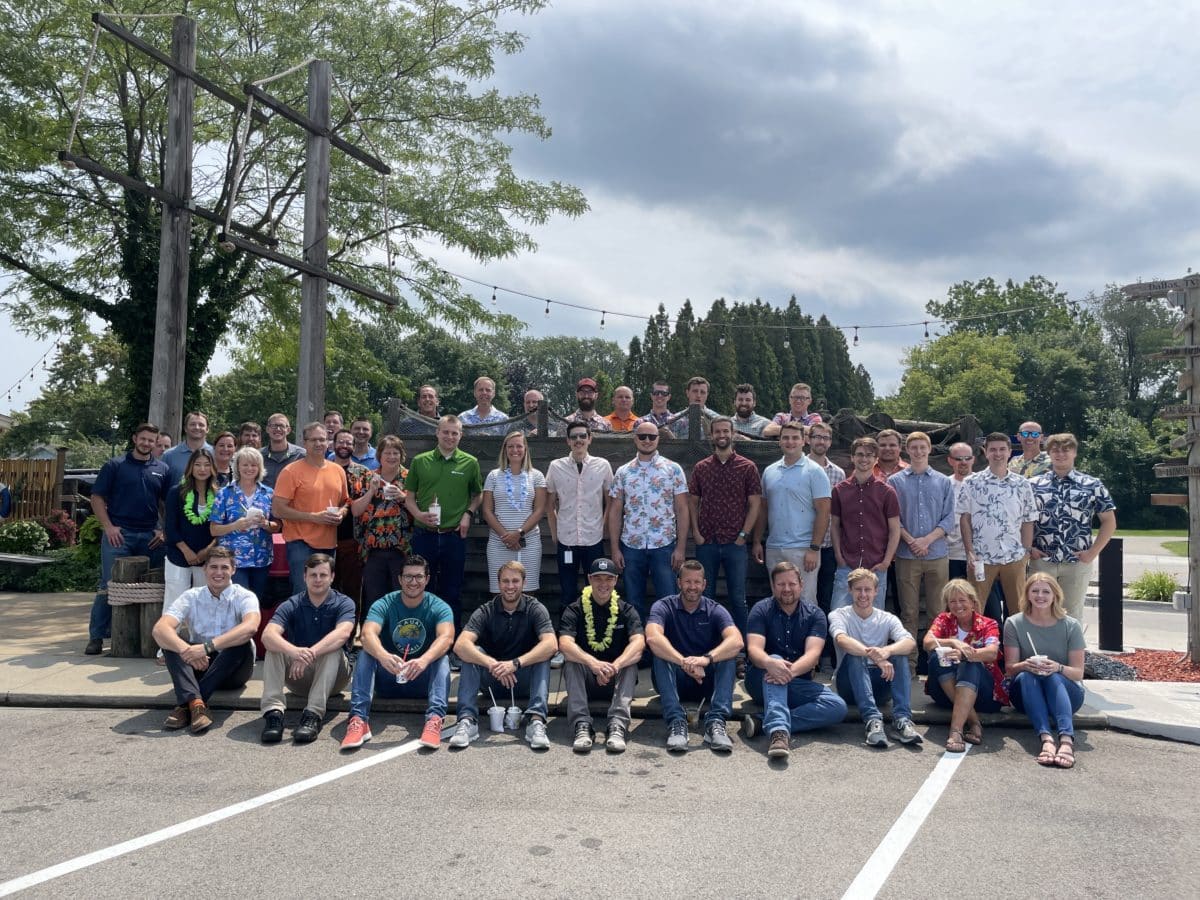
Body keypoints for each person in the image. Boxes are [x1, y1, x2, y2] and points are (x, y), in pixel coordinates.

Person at [341, 554, 454, 751]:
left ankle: (434, 720)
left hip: (420, 678)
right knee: (366, 653)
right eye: (408, 576)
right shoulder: (384, 603)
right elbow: (367, 634)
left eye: (419, 577)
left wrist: (424, 660)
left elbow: (447, 637)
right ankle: (358, 719)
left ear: (427, 579)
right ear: (400, 579)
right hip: (389, 676)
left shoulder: (439, 606)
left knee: (441, 658)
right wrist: (383, 656)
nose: (413, 582)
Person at [743, 562, 848, 759]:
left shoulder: (815, 614)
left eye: (791, 584)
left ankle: (762, 722)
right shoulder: (760, 610)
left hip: (797, 680)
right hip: (761, 679)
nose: (787, 589)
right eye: (781, 584)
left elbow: (812, 656)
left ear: (801, 584)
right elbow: (754, 650)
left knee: (837, 706)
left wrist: (787, 673)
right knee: (775, 659)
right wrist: (770, 664)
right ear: (773, 586)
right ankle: (778, 733)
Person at [449, 561, 557, 750]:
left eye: (515, 581)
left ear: (524, 583)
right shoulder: (486, 610)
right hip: (492, 679)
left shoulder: (535, 608)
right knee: (471, 653)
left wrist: (515, 664)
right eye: (505, 581)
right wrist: (492, 664)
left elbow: (551, 644)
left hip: (523, 679)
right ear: (498, 583)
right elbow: (460, 645)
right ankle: (467, 721)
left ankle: (536, 721)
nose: (510, 586)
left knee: (543, 654)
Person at [152, 548, 260, 734]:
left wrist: (206, 648)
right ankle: (196, 705)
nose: (219, 572)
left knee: (241, 641)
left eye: (224, 567)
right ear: (205, 569)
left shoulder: (245, 596)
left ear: (233, 569)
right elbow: (159, 629)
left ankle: (186, 704)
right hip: (199, 665)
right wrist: (186, 649)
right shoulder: (191, 596)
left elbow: (251, 627)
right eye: (213, 567)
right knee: (170, 643)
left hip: (234, 670)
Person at [85, 422, 169, 655]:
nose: (146, 443)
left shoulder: (162, 469)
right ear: (134, 438)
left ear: (155, 443)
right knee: (109, 585)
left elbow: (167, 503)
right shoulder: (115, 465)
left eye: (151, 440)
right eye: (143, 439)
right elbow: (97, 498)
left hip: (151, 537)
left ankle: (147, 637)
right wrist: (108, 527)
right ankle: (96, 637)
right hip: (120, 535)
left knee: (152, 587)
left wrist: (163, 531)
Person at [646, 561, 743, 753]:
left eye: (697, 582)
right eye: (688, 581)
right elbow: (652, 637)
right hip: (675, 679)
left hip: (706, 680)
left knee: (728, 655)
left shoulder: (715, 609)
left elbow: (737, 641)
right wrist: (684, 662)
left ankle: (716, 722)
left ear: (704, 584)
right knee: (660, 654)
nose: (692, 586)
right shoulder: (663, 606)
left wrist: (705, 659)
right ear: (679, 583)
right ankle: (676, 722)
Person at [260, 554, 355, 744]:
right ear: (304, 577)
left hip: (335, 679)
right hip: (299, 677)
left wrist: (310, 653)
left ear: (332, 577)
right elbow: (267, 636)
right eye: (313, 575)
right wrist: (294, 652)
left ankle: (313, 715)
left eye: (323, 575)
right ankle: (273, 714)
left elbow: (342, 634)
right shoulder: (291, 604)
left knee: (333, 648)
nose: (318, 579)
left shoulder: (344, 602)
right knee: (274, 648)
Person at [404, 415, 483, 632]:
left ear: (461, 436)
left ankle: (450, 640)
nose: (450, 436)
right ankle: (422, 636)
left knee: (452, 591)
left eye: (454, 433)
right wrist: (419, 515)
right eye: (446, 432)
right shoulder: (420, 461)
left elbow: (478, 495)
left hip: (454, 536)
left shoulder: (470, 463)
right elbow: (409, 498)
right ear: (437, 433)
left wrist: (468, 514)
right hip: (424, 534)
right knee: (420, 588)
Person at [829, 568, 922, 747]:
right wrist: (876, 657)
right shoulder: (839, 614)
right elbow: (842, 639)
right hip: (849, 685)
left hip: (880, 684)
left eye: (868, 589)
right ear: (850, 590)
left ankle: (902, 720)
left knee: (900, 655)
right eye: (858, 589)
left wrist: (887, 651)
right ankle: (872, 720)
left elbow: (909, 642)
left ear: (876, 591)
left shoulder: (887, 618)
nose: (863, 594)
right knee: (855, 655)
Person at [559, 558, 645, 753]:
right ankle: (581, 725)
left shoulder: (626, 610)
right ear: (589, 579)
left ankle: (617, 725)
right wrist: (593, 664)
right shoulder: (575, 609)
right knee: (571, 662)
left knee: (630, 664)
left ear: (615, 580)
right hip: (586, 680)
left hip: (616, 679)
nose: (603, 584)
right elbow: (564, 643)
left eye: (608, 579)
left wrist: (616, 665)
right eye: (598, 578)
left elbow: (639, 643)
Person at [608, 421, 690, 625]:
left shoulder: (673, 469)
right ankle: (638, 641)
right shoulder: (623, 472)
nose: (647, 440)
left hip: (664, 545)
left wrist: (681, 548)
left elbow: (682, 509)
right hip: (631, 546)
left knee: (668, 599)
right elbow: (615, 511)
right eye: (642, 436)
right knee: (633, 600)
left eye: (652, 436)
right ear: (635, 438)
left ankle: (667, 641)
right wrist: (615, 549)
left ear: (658, 439)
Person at [1030, 433, 1117, 621]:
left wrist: (1093, 552)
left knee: (1072, 615)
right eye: (1055, 450)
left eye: (1066, 450)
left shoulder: (1092, 485)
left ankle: (1072, 643)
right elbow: (1023, 520)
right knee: (1038, 612)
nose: (1060, 454)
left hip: (1076, 562)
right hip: (1042, 561)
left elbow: (1109, 521)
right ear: (1049, 454)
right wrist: (1029, 548)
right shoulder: (1034, 485)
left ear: (1075, 453)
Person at [1004, 573, 1086, 769]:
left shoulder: (1071, 625)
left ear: (1055, 595)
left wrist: (1058, 667)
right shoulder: (1014, 623)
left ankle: (1066, 740)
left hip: (1066, 694)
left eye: (1046, 592)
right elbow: (1010, 669)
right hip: (1026, 692)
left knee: (1054, 677)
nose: (1040, 596)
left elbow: (1078, 673)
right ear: (1027, 594)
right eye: (1035, 591)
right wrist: (1025, 665)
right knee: (1026, 675)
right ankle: (1046, 739)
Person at [889, 431, 956, 671]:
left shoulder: (943, 481)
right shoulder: (895, 482)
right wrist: (911, 541)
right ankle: (909, 663)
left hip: (937, 554)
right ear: (907, 450)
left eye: (922, 447)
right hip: (906, 556)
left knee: (938, 611)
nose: (918, 451)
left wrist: (927, 540)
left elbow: (949, 518)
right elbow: (893, 518)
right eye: (913, 447)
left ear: (929, 449)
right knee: (909, 612)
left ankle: (936, 663)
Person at [691, 416, 762, 640]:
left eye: (725, 431)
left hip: (735, 543)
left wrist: (744, 535)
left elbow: (755, 504)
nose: (722, 435)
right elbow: (693, 502)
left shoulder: (747, 467)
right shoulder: (701, 467)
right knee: (705, 597)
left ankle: (742, 647)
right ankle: (707, 643)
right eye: (717, 432)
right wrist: (696, 532)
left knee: (738, 598)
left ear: (733, 434)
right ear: (711, 435)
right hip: (707, 541)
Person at [921, 579, 1009, 752]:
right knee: (936, 657)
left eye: (962, 600)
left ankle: (956, 731)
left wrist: (964, 654)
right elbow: (927, 642)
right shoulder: (943, 619)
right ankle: (974, 721)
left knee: (971, 663)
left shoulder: (988, 623)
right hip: (946, 693)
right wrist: (953, 642)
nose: (958, 605)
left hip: (984, 696)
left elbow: (992, 653)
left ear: (973, 602)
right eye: (952, 601)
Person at [958, 431, 1038, 615]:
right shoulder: (971, 483)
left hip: (1014, 556)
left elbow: (1028, 520)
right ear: (985, 452)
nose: (998, 453)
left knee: (1018, 609)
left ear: (1009, 452)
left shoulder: (1022, 484)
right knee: (975, 609)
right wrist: (970, 551)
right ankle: (978, 636)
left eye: (1002, 449)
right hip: (981, 556)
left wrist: (1025, 553)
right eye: (993, 449)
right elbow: (965, 519)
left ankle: (1015, 636)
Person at [753, 421, 828, 608]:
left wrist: (814, 548)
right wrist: (757, 541)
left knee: (806, 602)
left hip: (803, 549)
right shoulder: (769, 471)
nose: (790, 441)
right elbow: (763, 509)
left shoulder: (815, 471)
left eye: (795, 438)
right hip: (774, 547)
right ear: (779, 441)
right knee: (779, 602)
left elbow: (824, 511)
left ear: (804, 441)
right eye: (785, 437)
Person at [272, 422, 349, 594]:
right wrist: (314, 517)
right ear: (304, 443)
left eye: (322, 439)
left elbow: (345, 502)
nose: (318, 443)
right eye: (313, 440)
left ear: (328, 442)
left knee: (324, 594)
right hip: (300, 543)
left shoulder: (338, 471)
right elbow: (278, 509)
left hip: (328, 543)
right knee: (303, 593)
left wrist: (341, 513)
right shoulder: (290, 471)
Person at [829, 437, 900, 610]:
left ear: (876, 459)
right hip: (847, 563)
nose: (864, 459)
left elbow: (894, 530)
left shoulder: (887, 492)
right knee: (838, 613)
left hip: (876, 565)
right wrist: (838, 556)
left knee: (874, 616)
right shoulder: (839, 490)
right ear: (852, 457)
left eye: (869, 455)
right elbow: (835, 526)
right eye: (860, 454)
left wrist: (886, 562)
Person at [546, 422, 613, 603]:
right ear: (568, 441)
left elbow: (610, 501)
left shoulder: (603, 465)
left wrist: (604, 527)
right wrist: (555, 533)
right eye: (574, 436)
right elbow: (549, 504)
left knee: (595, 591)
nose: (578, 440)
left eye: (583, 436)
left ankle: (594, 622)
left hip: (594, 539)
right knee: (567, 591)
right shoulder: (555, 467)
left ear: (590, 439)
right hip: (566, 539)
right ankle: (568, 622)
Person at [350, 435, 413, 619]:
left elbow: (421, 510)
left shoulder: (410, 478)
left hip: (402, 549)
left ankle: (398, 634)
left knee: (401, 597)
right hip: (373, 549)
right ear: (379, 455)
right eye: (387, 453)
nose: (392, 457)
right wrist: (371, 491)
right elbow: (355, 510)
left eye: (396, 453)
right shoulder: (368, 477)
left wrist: (403, 497)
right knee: (373, 599)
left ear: (402, 455)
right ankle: (373, 634)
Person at [162, 448, 218, 653]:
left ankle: (201, 645)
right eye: (198, 464)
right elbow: (170, 527)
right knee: (175, 599)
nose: (202, 469)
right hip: (178, 554)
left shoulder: (218, 494)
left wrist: (207, 551)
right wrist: (185, 550)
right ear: (190, 467)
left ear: (212, 468)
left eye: (207, 465)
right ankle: (167, 647)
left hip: (207, 556)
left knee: (204, 601)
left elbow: (220, 527)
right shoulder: (176, 492)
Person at [482, 430, 547, 593]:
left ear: (525, 449)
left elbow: (539, 510)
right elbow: (487, 511)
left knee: (528, 590)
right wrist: (506, 537)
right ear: (505, 449)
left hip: (528, 542)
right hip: (499, 542)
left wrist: (519, 533)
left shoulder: (537, 476)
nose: (514, 450)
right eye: (510, 446)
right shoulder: (493, 476)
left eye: (519, 446)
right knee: (500, 590)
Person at [211, 445, 278, 603]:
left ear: (260, 467)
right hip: (234, 559)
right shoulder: (224, 493)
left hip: (261, 558)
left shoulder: (268, 493)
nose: (249, 468)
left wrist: (265, 523)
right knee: (240, 602)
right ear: (237, 467)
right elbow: (213, 529)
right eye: (245, 465)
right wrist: (235, 525)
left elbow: (278, 526)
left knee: (255, 602)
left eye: (254, 465)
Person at [805, 421, 845, 658]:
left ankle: (826, 653)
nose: (821, 441)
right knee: (804, 599)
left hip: (828, 545)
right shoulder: (800, 467)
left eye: (825, 438)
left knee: (826, 599)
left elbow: (838, 514)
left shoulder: (838, 473)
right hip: (803, 544)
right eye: (817, 437)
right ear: (808, 439)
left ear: (830, 442)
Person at [329, 428, 367, 605]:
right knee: (328, 587)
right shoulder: (324, 469)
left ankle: (351, 623)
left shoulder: (363, 473)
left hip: (353, 540)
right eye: (341, 442)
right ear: (333, 444)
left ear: (354, 446)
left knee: (353, 589)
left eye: (348, 443)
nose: (344, 446)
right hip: (325, 538)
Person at [945, 442, 976, 581]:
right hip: (951, 555)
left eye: (967, 458)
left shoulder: (983, 483)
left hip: (980, 554)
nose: (963, 462)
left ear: (973, 459)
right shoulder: (943, 485)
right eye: (958, 459)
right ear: (950, 460)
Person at [161, 411, 211, 484]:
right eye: (192, 424)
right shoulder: (169, 455)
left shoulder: (215, 454)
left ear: (207, 429)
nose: (197, 427)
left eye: (201, 425)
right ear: (185, 428)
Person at [670, 376, 720, 440]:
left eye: (702, 392)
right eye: (695, 391)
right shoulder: (675, 420)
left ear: (707, 395)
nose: (698, 395)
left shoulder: (717, 419)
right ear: (687, 393)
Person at [262, 413, 304, 488]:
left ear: (288, 430)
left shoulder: (301, 455)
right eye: (274, 426)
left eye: (281, 426)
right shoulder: (258, 456)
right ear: (267, 429)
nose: (278, 429)